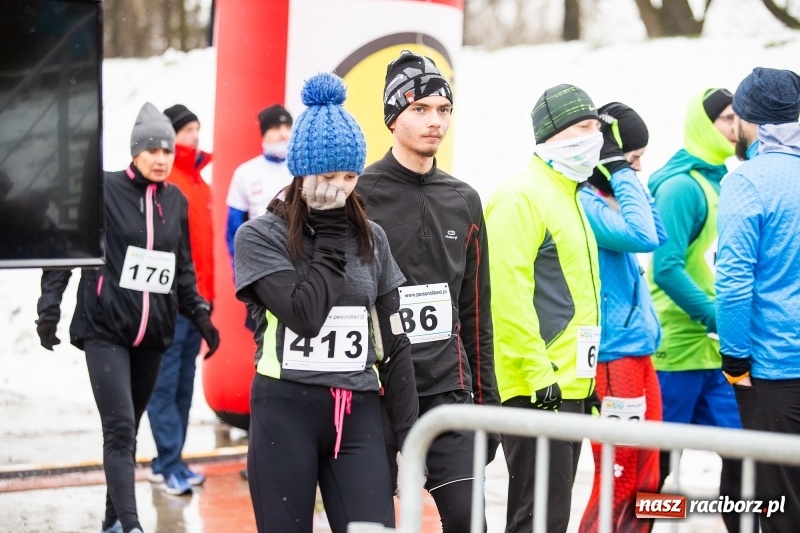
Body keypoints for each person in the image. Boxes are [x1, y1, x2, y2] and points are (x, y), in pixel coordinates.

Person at [233, 72, 418, 533]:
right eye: (327, 176)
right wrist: (332, 230)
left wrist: (406, 435)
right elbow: (305, 315)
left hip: (357, 412)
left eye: (350, 176)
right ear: (301, 174)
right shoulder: (259, 237)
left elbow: (395, 345)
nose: (339, 187)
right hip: (285, 410)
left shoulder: (372, 239)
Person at [35, 102, 220, 533]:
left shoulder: (174, 200)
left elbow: (182, 266)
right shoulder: (103, 190)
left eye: (167, 151)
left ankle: (111, 522)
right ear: (135, 152)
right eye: (152, 150)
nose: (161, 158)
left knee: (128, 432)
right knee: (118, 430)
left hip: (153, 333)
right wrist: (50, 308)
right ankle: (132, 525)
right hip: (105, 330)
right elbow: (66, 250)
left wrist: (200, 315)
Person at [355, 50, 501, 532]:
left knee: (468, 521)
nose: (435, 121)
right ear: (393, 118)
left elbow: (476, 312)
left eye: (443, 110)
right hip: (374, 392)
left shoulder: (464, 199)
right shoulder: (360, 194)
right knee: (374, 524)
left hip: (447, 393)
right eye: (420, 109)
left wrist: (488, 404)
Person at [485, 83, 602, 533]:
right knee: (537, 519)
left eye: (595, 127)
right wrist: (538, 375)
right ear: (550, 134)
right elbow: (508, 295)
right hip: (538, 388)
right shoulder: (521, 196)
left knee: (551, 517)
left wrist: (584, 378)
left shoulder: (569, 194)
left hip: (570, 385)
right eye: (580, 127)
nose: (592, 137)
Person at [647, 87, 751, 532]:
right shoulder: (680, 186)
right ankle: (641, 524)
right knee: (659, 470)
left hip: (714, 350)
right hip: (676, 348)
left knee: (746, 454)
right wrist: (716, 315)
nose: (734, 128)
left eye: (736, 119)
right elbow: (666, 269)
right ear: (703, 125)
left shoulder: (718, 178)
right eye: (725, 119)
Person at [716, 67, 800, 533]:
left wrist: (734, 362)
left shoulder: (747, 180)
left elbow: (732, 281)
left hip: (775, 372)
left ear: (750, 119)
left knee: (781, 507)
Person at [577, 103, 666, 533]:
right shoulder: (586, 203)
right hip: (613, 357)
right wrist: (619, 170)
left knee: (650, 469)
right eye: (632, 160)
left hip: (639, 350)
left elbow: (659, 233)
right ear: (607, 159)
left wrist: (626, 177)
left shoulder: (613, 197)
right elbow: (644, 235)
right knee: (620, 472)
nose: (638, 169)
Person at [144, 104, 214, 496]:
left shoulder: (200, 183)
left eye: (197, 129)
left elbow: (204, 250)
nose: (194, 137)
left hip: (199, 301)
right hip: (171, 303)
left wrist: (210, 298)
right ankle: (168, 461)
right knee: (165, 384)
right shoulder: (168, 182)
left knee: (185, 385)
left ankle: (170, 459)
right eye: (186, 130)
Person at [225, 103, 293, 261]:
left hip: (297, 260)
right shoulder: (245, 172)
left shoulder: (303, 170)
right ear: (264, 132)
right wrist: (241, 273)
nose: (284, 134)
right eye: (276, 127)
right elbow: (234, 230)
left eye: (288, 127)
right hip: (258, 261)